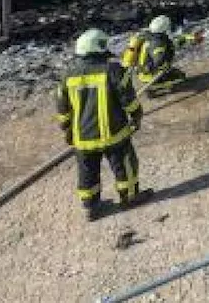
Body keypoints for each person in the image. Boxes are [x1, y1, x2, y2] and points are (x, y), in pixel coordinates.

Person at [56, 28, 153, 221]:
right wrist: (136, 115)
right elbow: (128, 99)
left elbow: (62, 107)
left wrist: (67, 129)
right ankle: (130, 197)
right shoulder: (113, 70)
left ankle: (91, 207)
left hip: (83, 138)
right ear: (98, 48)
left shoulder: (67, 75)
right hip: (114, 135)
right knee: (124, 165)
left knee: (87, 172)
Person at [121, 15, 202, 97]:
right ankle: (153, 88)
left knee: (174, 73)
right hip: (150, 75)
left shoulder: (151, 36)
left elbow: (174, 41)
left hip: (143, 71)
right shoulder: (158, 43)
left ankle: (155, 84)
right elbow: (159, 62)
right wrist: (166, 65)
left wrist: (192, 38)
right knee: (180, 77)